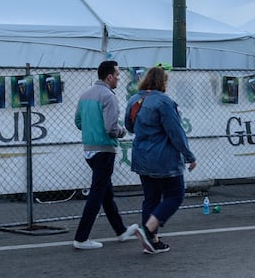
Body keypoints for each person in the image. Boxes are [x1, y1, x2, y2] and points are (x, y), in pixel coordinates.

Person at [124, 66, 197, 255]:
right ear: (163, 82)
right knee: (175, 195)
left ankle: (153, 242)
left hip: (141, 156)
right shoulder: (164, 102)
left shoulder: (134, 100)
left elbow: (129, 127)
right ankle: (148, 230)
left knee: (151, 197)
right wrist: (189, 156)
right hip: (163, 158)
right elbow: (176, 132)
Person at [71, 60, 132, 249]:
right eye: (118, 75)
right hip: (104, 150)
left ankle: (121, 230)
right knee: (98, 194)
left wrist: (92, 129)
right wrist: (123, 131)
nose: (119, 79)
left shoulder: (85, 95)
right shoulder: (109, 96)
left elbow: (78, 122)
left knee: (105, 191)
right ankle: (81, 238)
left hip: (89, 149)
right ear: (110, 76)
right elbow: (111, 128)